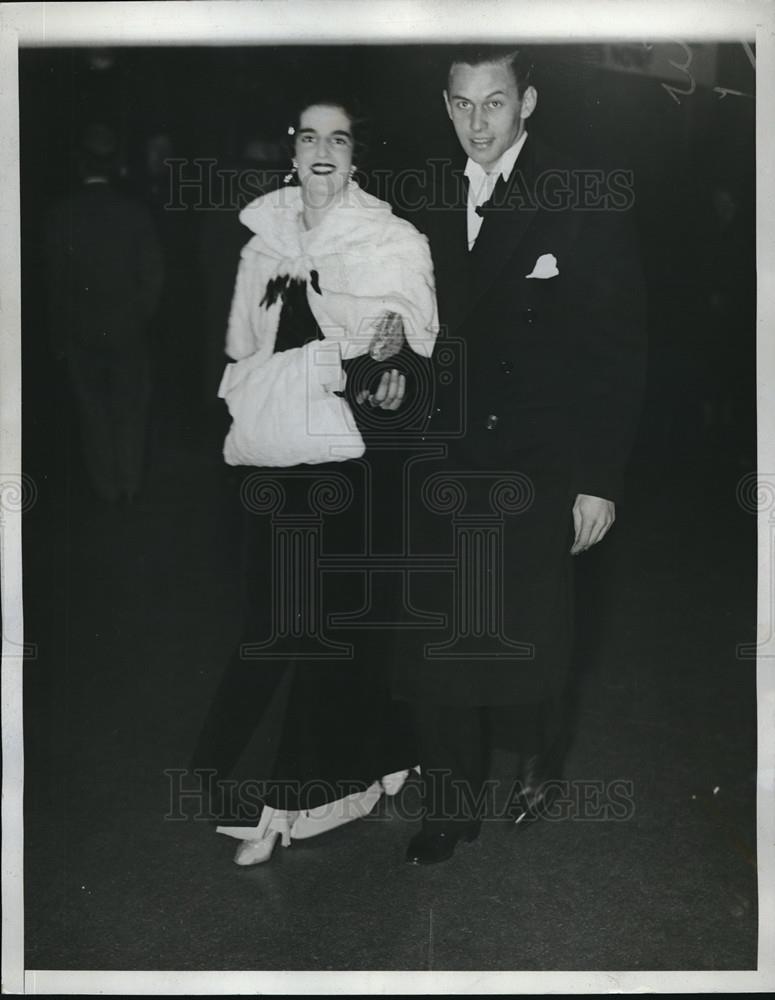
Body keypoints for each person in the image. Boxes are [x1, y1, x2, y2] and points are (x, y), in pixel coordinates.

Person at [391, 46, 647, 865]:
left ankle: (541, 758)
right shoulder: (421, 198)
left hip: (535, 455)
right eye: (462, 105)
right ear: (445, 105)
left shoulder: (578, 198)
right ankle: (450, 802)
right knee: (439, 637)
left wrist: (597, 480)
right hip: (441, 453)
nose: (477, 124)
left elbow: (617, 349)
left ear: (527, 103)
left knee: (529, 635)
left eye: (494, 104)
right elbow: (393, 324)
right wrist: (384, 377)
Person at [190, 97, 438, 865]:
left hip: (353, 458)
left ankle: (287, 805)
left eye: (339, 137)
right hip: (272, 456)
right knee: (275, 618)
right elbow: (237, 348)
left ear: (356, 156)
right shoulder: (261, 239)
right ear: (290, 152)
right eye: (308, 136)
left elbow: (413, 333)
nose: (322, 149)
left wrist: (387, 349)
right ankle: (372, 757)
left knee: (331, 626)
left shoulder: (393, 237)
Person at [44, 123, 164, 503]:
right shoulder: (135, 214)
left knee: (92, 414)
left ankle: (106, 490)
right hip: (127, 330)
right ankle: (129, 485)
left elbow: (55, 285)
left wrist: (59, 335)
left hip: (81, 330)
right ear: (115, 166)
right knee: (130, 410)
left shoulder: (60, 215)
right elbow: (154, 276)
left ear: (80, 165)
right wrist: (139, 317)